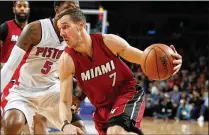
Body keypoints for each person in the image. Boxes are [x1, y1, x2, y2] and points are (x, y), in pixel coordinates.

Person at [56, 8, 182, 135]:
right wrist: (66, 124)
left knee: (116, 131)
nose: (61, 33)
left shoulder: (108, 42)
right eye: (59, 28)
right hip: (102, 110)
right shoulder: (66, 61)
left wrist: (171, 63)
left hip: (127, 94)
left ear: (80, 25)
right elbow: (65, 101)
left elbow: (145, 59)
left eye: (65, 27)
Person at [1, 1, 86, 134]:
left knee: (79, 129)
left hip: (52, 91)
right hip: (24, 90)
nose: (74, 11)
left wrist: (80, 97)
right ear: (57, 10)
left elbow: (87, 69)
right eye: (70, 7)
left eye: (77, 8)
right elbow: (10, 67)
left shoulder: (78, 36)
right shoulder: (35, 29)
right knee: (11, 123)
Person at [0, 0, 30, 130]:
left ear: (29, 9)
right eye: (19, 6)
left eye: (25, 6)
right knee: (7, 114)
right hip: (8, 76)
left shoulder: (33, 30)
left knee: (29, 116)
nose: (22, 9)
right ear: (14, 9)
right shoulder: (5, 27)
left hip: (27, 79)